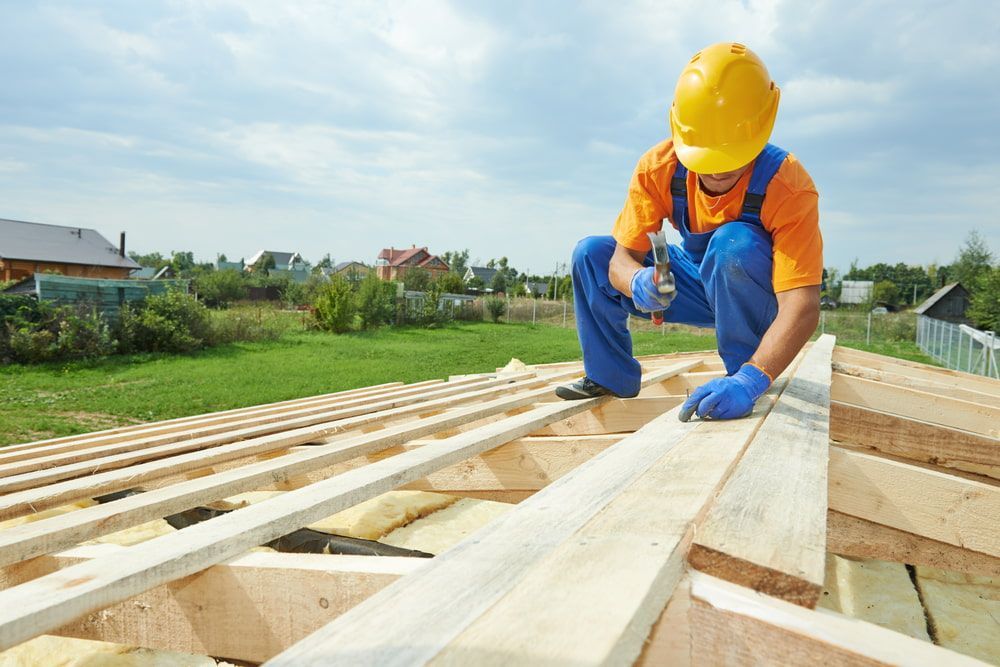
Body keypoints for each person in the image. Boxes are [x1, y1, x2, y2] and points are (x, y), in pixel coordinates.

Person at [557, 42, 822, 421]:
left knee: (733, 243)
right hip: (696, 282)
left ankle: (743, 372)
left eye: (729, 158)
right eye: (706, 157)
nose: (715, 172)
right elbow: (620, 259)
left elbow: (802, 304)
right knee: (591, 253)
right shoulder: (659, 167)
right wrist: (636, 282)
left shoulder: (788, 184)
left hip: (754, 296)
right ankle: (610, 376)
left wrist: (752, 380)